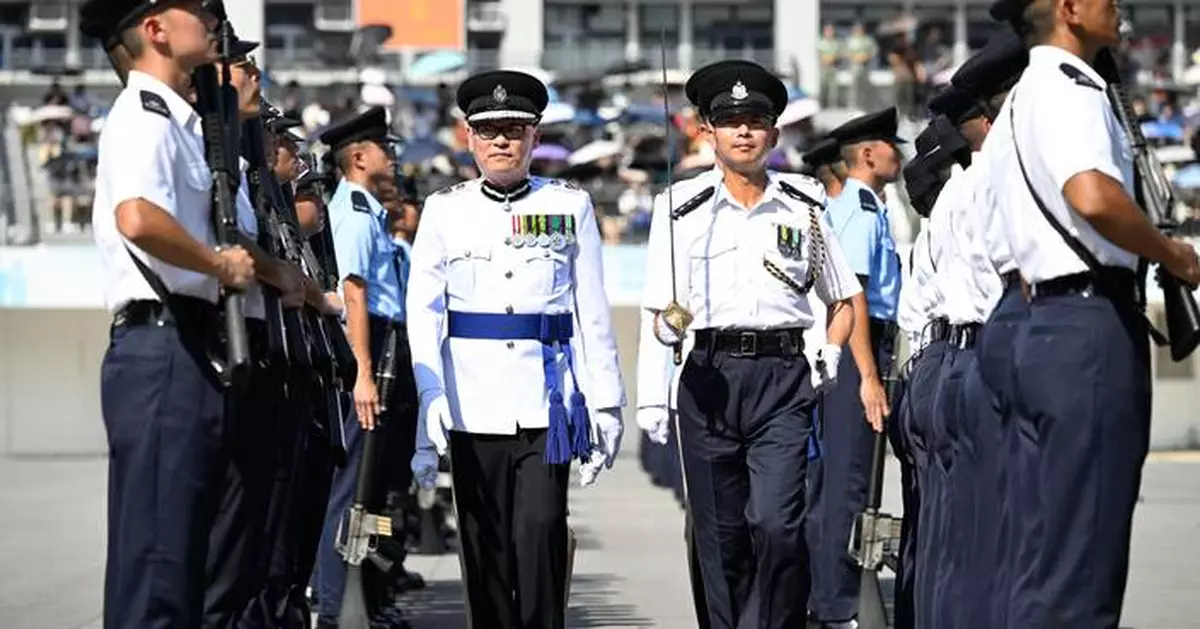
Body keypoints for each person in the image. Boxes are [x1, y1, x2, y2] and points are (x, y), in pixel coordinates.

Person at [988, 1, 1200, 627]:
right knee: (1084, 562)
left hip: (1041, 323)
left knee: (1044, 554)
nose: (1119, 8)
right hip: (1086, 326)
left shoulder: (1025, 96)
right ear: (1069, 10)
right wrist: (1175, 255)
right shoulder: (1071, 86)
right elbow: (1093, 196)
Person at [641, 59, 861, 629]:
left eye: (755, 119)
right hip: (709, 376)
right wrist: (670, 326)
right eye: (729, 120)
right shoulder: (679, 209)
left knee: (778, 525)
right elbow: (660, 311)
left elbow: (842, 300)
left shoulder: (805, 205)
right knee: (721, 536)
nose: (743, 130)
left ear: (774, 132)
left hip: (783, 378)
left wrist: (829, 353)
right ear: (707, 132)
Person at [406, 69, 626, 629]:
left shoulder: (568, 205)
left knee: (542, 530)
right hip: (471, 402)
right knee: (484, 548)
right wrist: (429, 392)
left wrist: (606, 403)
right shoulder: (445, 209)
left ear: (533, 136)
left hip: (544, 403)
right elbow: (423, 311)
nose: (502, 141)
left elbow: (591, 311)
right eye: (489, 131)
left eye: (514, 129)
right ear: (469, 139)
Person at [80, 1, 256, 627]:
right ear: (155, 29)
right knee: (157, 564)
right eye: (198, 9)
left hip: (186, 345)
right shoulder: (143, 112)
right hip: (161, 347)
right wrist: (217, 265)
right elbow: (138, 217)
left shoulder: (180, 120)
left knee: (183, 557)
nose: (211, 18)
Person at [919, 31, 1028, 629]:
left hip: (952, 354)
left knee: (953, 537)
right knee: (995, 533)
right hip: (984, 350)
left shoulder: (961, 189)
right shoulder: (990, 180)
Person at [806, 107, 905, 629]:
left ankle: (826, 598)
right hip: (857, 351)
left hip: (854, 351)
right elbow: (852, 298)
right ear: (869, 154)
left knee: (837, 481)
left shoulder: (859, 207)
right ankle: (837, 604)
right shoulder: (860, 210)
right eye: (893, 146)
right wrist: (868, 373)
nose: (902, 154)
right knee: (846, 483)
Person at [314, 105, 412, 629]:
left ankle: (367, 597)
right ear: (357, 156)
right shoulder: (351, 210)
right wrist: (363, 373)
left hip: (386, 342)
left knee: (373, 487)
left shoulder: (369, 208)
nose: (392, 158)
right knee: (352, 487)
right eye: (384, 148)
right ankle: (335, 606)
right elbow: (354, 291)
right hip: (369, 342)